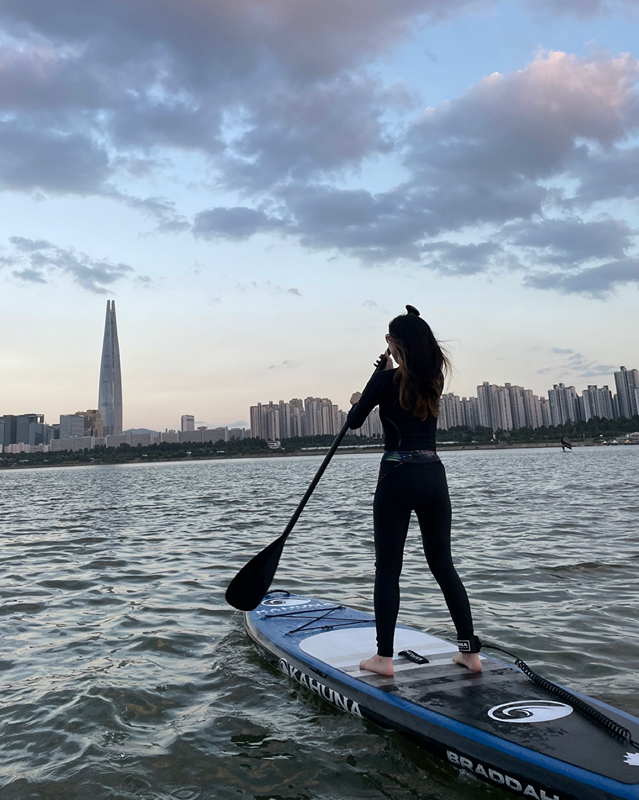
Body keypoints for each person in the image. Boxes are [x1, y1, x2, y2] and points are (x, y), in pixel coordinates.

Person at [347, 305, 481, 677]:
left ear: (393, 343)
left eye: (388, 340)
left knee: (388, 569)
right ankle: (470, 653)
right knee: (444, 566)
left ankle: (383, 659)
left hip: (397, 475)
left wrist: (363, 394)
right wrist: (387, 369)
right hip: (434, 475)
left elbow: (354, 422)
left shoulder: (385, 381)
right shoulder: (433, 377)